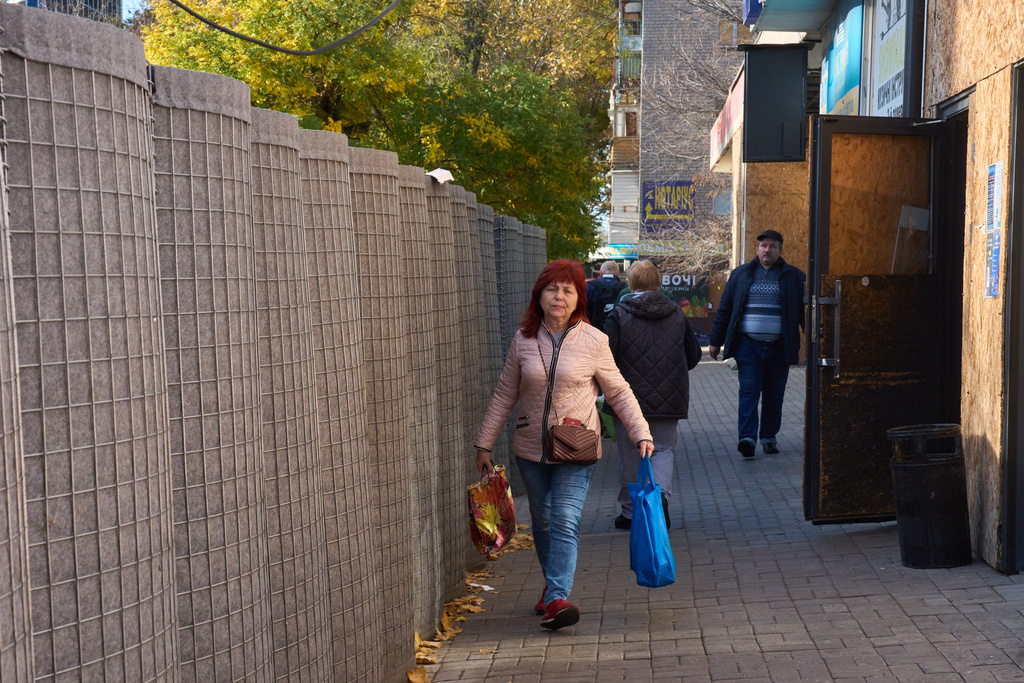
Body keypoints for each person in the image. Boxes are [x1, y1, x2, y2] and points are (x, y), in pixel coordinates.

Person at [475, 259, 654, 631]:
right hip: (530, 448)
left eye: (567, 290)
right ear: (538, 295)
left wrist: (640, 432)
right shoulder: (523, 340)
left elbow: (618, 390)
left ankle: (557, 597)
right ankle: (551, 585)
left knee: (565, 520)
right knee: (541, 521)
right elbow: (505, 394)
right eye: (552, 289)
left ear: (578, 300)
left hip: (577, 446)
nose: (559, 296)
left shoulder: (594, 341)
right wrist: (484, 444)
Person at [603, 260, 701, 531]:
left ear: (630, 285)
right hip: (670, 397)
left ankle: (631, 513)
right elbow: (693, 355)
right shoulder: (677, 314)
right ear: (659, 284)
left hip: (627, 398)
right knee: (663, 449)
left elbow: (605, 357)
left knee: (630, 454)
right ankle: (660, 498)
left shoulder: (619, 314)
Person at [709, 230, 806, 458]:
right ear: (757, 249)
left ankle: (769, 437)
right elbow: (725, 309)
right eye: (763, 245)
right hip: (748, 347)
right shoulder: (741, 275)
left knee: (774, 395)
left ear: (780, 251)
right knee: (749, 392)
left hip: (779, 347)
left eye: (772, 246)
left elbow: (804, 313)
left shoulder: (794, 277)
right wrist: (715, 341)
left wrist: (815, 340)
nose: (767, 250)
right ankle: (747, 438)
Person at [585, 260, 627, 331]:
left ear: (600, 272)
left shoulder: (589, 286)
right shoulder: (624, 288)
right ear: (618, 273)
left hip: (594, 332)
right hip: (618, 333)